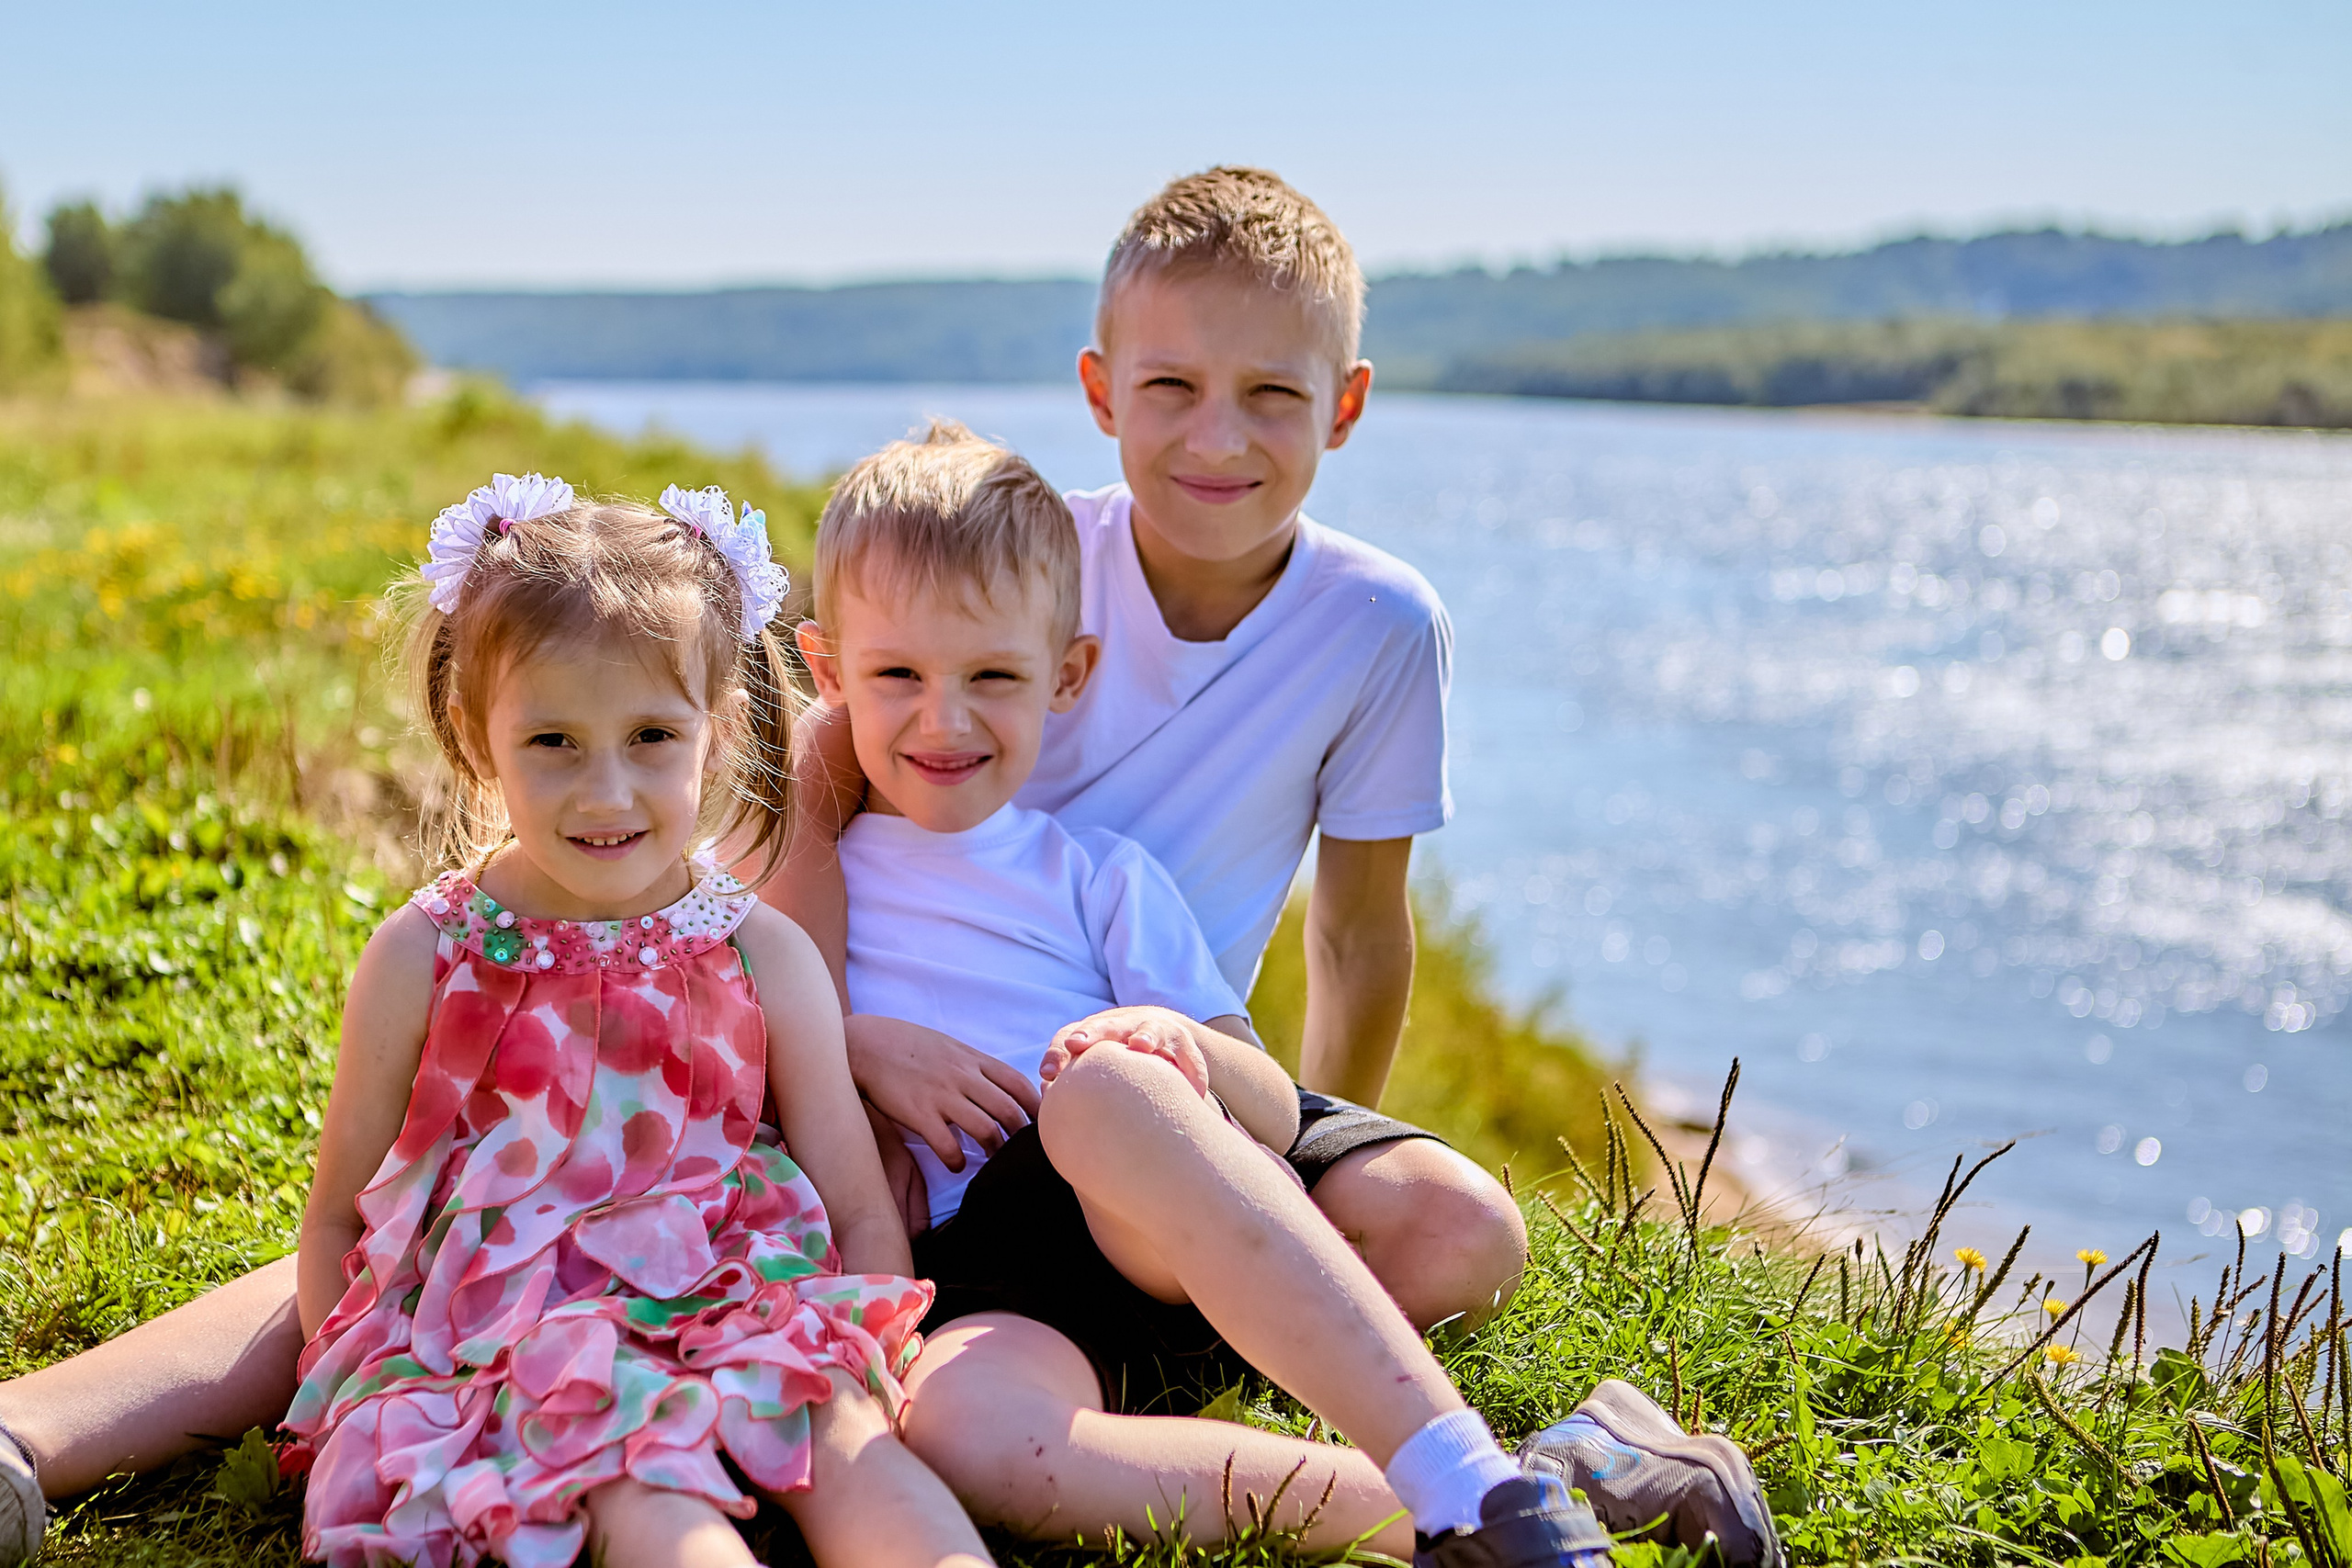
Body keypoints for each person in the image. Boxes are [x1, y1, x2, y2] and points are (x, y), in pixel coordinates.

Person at [775, 168, 1780, 1559]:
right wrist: (842, 1044)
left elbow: (1361, 936)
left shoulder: (1371, 628)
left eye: (1272, 395)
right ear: (1099, 388)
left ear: (1345, 406)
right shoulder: (1009, 550)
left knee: (1457, 1231)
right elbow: (813, 776)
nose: (1215, 437)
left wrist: (1267, 1205)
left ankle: (1386, 1401)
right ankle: (1515, 1491)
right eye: (1171, 385)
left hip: (1159, 1077)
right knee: (961, 1431)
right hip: (977, 1193)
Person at [797, 419, 1614, 1567]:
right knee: (968, 1438)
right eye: (897, 676)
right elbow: (739, 1054)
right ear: (828, 670)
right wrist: (855, 1043)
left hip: (1143, 1205)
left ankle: (1453, 1463)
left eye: (994, 675)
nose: (945, 718)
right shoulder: (808, 871)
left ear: (1067, 675)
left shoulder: (1096, 875)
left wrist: (1175, 1042)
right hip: (996, 1278)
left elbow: (1270, 1107)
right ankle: (1481, 1507)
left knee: (1109, 1092)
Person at [282, 474, 989, 1568]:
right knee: (649, 1500)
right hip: (520, 1342)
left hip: (741, 1293)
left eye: (652, 736)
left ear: (719, 729)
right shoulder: (426, 954)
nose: (606, 793)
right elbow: (338, 1216)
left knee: (855, 1449)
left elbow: (855, 1200)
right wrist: (350, 1379)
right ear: (476, 738)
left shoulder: (759, 951)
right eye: (554, 742)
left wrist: (864, 1353)